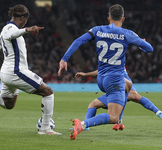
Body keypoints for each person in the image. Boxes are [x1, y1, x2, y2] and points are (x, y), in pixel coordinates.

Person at [0, 4, 61, 135]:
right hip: (16, 71)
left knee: (7, 104)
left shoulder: (4, 30)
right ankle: (45, 128)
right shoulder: (10, 28)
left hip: (6, 72)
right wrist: (28, 29)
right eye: (26, 19)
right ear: (22, 18)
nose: (26, 21)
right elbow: (12, 34)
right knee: (48, 92)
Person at [58, 4, 153, 140]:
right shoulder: (127, 34)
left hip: (101, 79)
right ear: (123, 19)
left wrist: (64, 59)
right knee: (112, 116)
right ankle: (83, 124)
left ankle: (118, 121)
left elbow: (79, 41)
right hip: (114, 79)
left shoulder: (97, 30)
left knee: (128, 86)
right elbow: (149, 49)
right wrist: (140, 42)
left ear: (108, 18)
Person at [75, 69, 162, 130]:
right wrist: (85, 75)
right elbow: (101, 71)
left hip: (122, 83)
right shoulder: (110, 60)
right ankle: (86, 125)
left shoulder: (115, 58)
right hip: (115, 87)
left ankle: (159, 112)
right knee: (93, 104)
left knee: (133, 96)